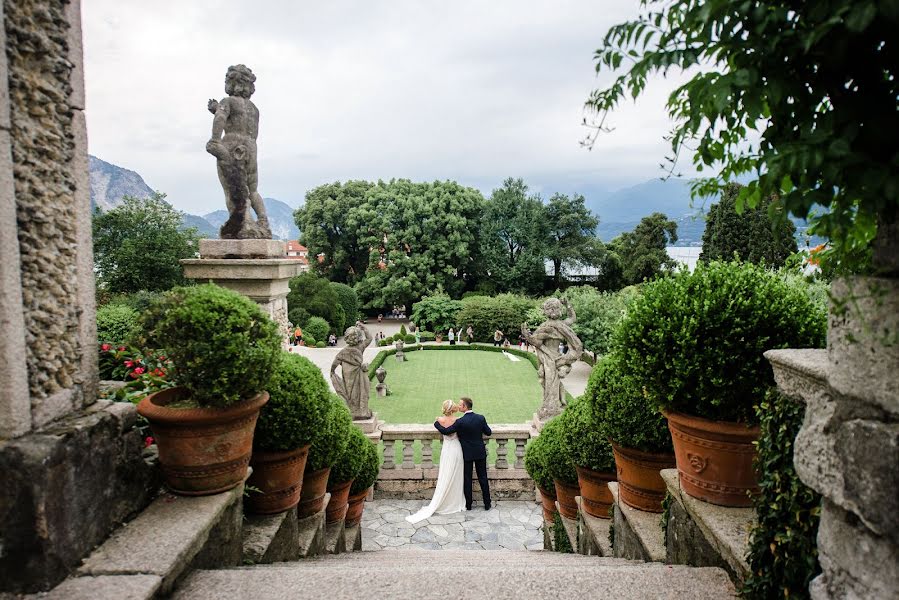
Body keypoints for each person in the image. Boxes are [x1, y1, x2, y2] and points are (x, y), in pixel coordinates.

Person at [406, 400, 467, 523]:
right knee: (456, 475)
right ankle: (455, 502)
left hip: (447, 449)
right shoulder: (459, 421)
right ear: (453, 409)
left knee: (445, 473)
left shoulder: (439, 421)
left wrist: (437, 421)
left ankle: (444, 501)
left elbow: (443, 430)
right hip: (456, 448)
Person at [433, 397, 492, 511]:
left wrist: (436, 424)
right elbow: (488, 432)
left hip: (467, 454)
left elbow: (446, 431)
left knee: (467, 479)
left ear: (465, 407)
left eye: (460, 405)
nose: (458, 406)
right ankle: (487, 503)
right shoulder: (480, 418)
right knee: (483, 478)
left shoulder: (460, 422)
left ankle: (468, 505)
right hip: (480, 452)